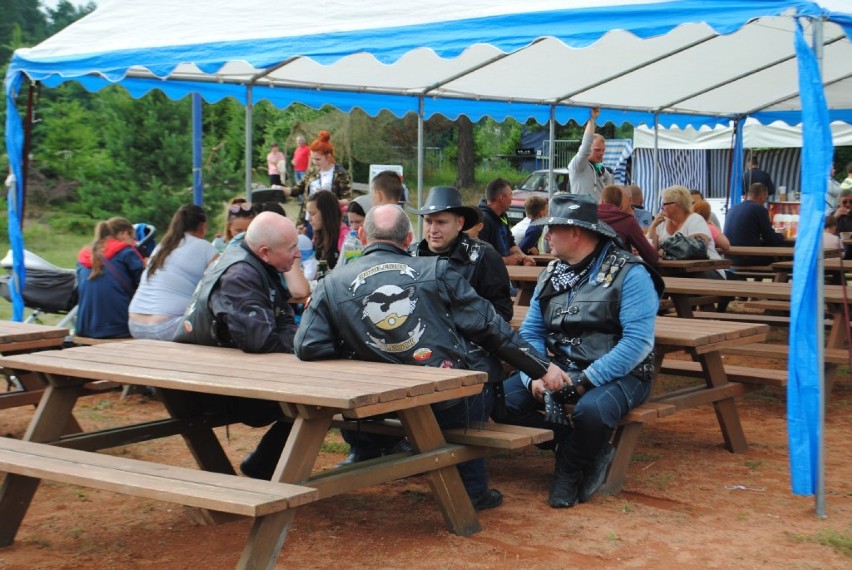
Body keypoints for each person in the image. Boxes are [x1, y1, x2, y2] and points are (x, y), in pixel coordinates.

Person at [294, 204, 568, 511]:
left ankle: (366, 450)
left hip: (374, 403)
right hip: (446, 403)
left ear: (361, 235)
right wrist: (541, 367)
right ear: (410, 236)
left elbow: (308, 345)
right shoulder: (436, 270)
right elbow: (490, 327)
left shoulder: (332, 282)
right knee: (474, 380)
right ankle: (472, 489)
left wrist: (362, 345)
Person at [499, 193, 663, 508]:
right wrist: (536, 373)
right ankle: (582, 446)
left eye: (552, 229)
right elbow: (532, 331)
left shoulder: (632, 273)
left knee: (592, 411)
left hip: (623, 375)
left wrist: (584, 380)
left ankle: (569, 469)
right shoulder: (551, 274)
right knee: (501, 402)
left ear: (576, 232)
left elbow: (637, 343)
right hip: (560, 370)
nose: (545, 235)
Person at [339, 186, 514, 465]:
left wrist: (454, 323)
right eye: (429, 222)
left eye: (441, 222)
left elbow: (502, 312)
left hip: (465, 356)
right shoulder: (409, 255)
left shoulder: (483, 256)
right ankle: (367, 447)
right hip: (411, 352)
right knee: (356, 374)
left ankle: (432, 455)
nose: (433, 229)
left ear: (459, 223)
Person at [174, 212, 310, 480]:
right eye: (291, 248)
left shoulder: (254, 262)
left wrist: (303, 337)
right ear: (265, 251)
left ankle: (263, 464)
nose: (297, 255)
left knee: (311, 395)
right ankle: (263, 466)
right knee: (314, 401)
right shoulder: (239, 275)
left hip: (224, 372)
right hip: (207, 387)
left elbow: (280, 321)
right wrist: (309, 339)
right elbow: (260, 340)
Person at [128, 204, 217, 340]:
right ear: (203, 226)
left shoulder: (162, 246)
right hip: (168, 327)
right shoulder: (205, 247)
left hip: (135, 324)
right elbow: (220, 281)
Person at [76, 217, 145, 339]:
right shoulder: (126, 253)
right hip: (118, 327)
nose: (134, 243)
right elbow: (144, 285)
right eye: (133, 238)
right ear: (124, 233)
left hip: (84, 327)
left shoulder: (84, 254)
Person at [648, 185, 726, 278]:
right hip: (676, 271)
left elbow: (697, 247)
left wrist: (664, 250)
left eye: (665, 204)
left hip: (707, 270)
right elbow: (650, 249)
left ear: (676, 205)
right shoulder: (661, 221)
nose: (661, 207)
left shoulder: (695, 220)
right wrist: (653, 227)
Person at [290, 130, 352, 223]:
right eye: (313, 159)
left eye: (318, 159)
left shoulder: (340, 173)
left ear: (328, 156)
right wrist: (282, 190)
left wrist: (327, 197)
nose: (315, 162)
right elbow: (298, 189)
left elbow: (347, 200)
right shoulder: (312, 170)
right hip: (308, 219)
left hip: (329, 221)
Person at [723, 182, 784, 266]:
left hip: (730, 257)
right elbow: (770, 239)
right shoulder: (759, 209)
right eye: (765, 198)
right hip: (748, 258)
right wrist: (781, 235)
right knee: (782, 259)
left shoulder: (733, 209)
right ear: (762, 196)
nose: (764, 201)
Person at [479, 178, 536, 266]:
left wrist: (524, 257)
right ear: (502, 198)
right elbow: (479, 256)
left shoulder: (503, 215)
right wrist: (506, 260)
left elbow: (510, 243)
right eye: (510, 195)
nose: (512, 198)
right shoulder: (483, 220)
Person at [597, 185, 659, 266]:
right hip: (617, 271)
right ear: (621, 205)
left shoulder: (586, 216)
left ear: (601, 201)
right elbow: (652, 258)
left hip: (586, 273)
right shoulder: (627, 221)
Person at [567, 107, 613, 201]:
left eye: (603, 150)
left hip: (598, 213)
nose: (601, 153)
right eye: (597, 150)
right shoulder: (578, 165)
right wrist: (592, 119)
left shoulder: (599, 167)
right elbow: (586, 146)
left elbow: (609, 182)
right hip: (582, 213)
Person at [306, 190, 349, 270]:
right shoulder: (318, 234)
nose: (309, 219)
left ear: (326, 213)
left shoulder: (345, 238)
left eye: (312, 214)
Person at [830, 189, 852, 259]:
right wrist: (835, 217)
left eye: (851, 202)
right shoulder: (833, 215)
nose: (848, 204)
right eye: (845, 202)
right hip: (838, 250)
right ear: (839, 203)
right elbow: (825, 231)